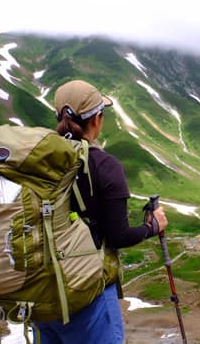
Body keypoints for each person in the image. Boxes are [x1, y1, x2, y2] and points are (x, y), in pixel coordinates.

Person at [34, 79, 168, 343]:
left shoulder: (39, 162)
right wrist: (153, 226)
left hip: (42, 291)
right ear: (97, 119)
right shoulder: (105, 165)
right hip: (87, 290)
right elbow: (118, 236)